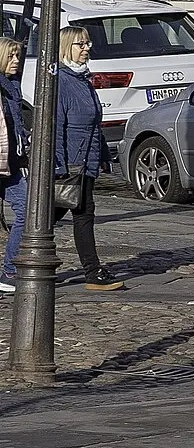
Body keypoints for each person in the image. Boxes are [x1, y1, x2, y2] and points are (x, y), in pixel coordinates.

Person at [52, 29, 113, 288]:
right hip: (71, 163)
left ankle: (92, 272)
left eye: (88, 43)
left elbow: (93, 124)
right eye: (81, 44)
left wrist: (103, 155)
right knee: (80, 214)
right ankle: (92, 272)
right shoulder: (61, 82)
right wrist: (58, 165)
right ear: (67, 47)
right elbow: (55, 126)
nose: (87, 48)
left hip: (85, 160)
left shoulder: (82, 79)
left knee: (57, 216)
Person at [0, 36, 23, 296]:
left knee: (27, 210)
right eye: (11, 56)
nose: (16, 61)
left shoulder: (13, 85)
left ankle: (9, 270)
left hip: (10, 162)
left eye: (18, 56)